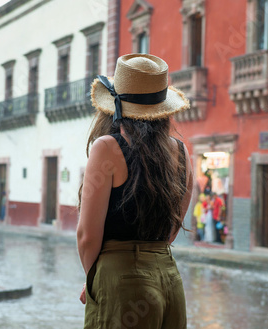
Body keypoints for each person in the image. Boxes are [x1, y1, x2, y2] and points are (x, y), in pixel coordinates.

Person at [77, 53, 193, 329]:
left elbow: (87, 236)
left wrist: (94, 280)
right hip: (168, 280)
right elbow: (171, 230)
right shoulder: (182, 152)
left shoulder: (106, 147)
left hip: (121, 282)